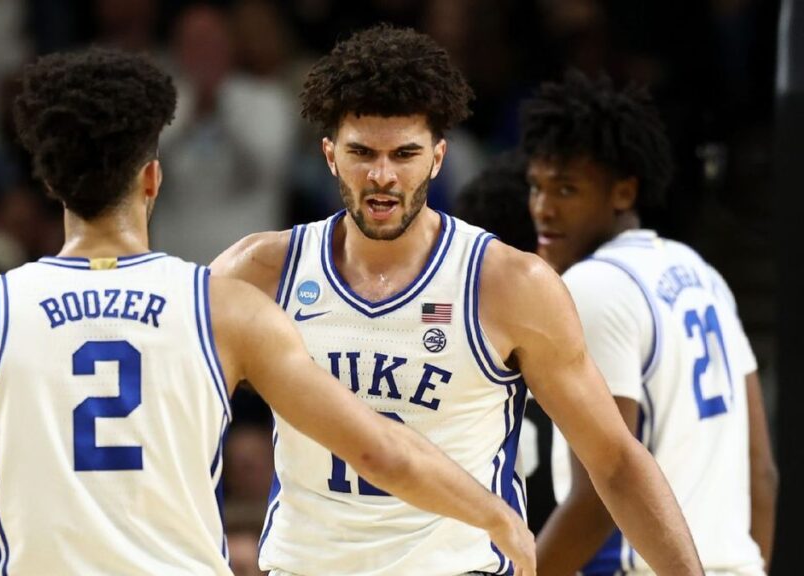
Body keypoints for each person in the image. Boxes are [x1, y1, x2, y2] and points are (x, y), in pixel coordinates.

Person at [0, 47, 536, 575]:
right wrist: (495, 515)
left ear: (50, 184)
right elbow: (382, 454)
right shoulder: (222, 308)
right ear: (153, 178)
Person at [211, 25, 701, 575]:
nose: (381, 175)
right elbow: (176, 427)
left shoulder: (510, 284)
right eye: (361, 152)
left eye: (404, 154)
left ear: (438, 157)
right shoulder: (256, 272)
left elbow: (614, 461)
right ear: (329, 154)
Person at [524, 71, 778, 575]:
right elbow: (763, 473)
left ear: (623, 193)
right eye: (536, 186)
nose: (543, 208)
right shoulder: (700, 272)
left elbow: (603, 491)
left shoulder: (594, 285)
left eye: (567, 189)